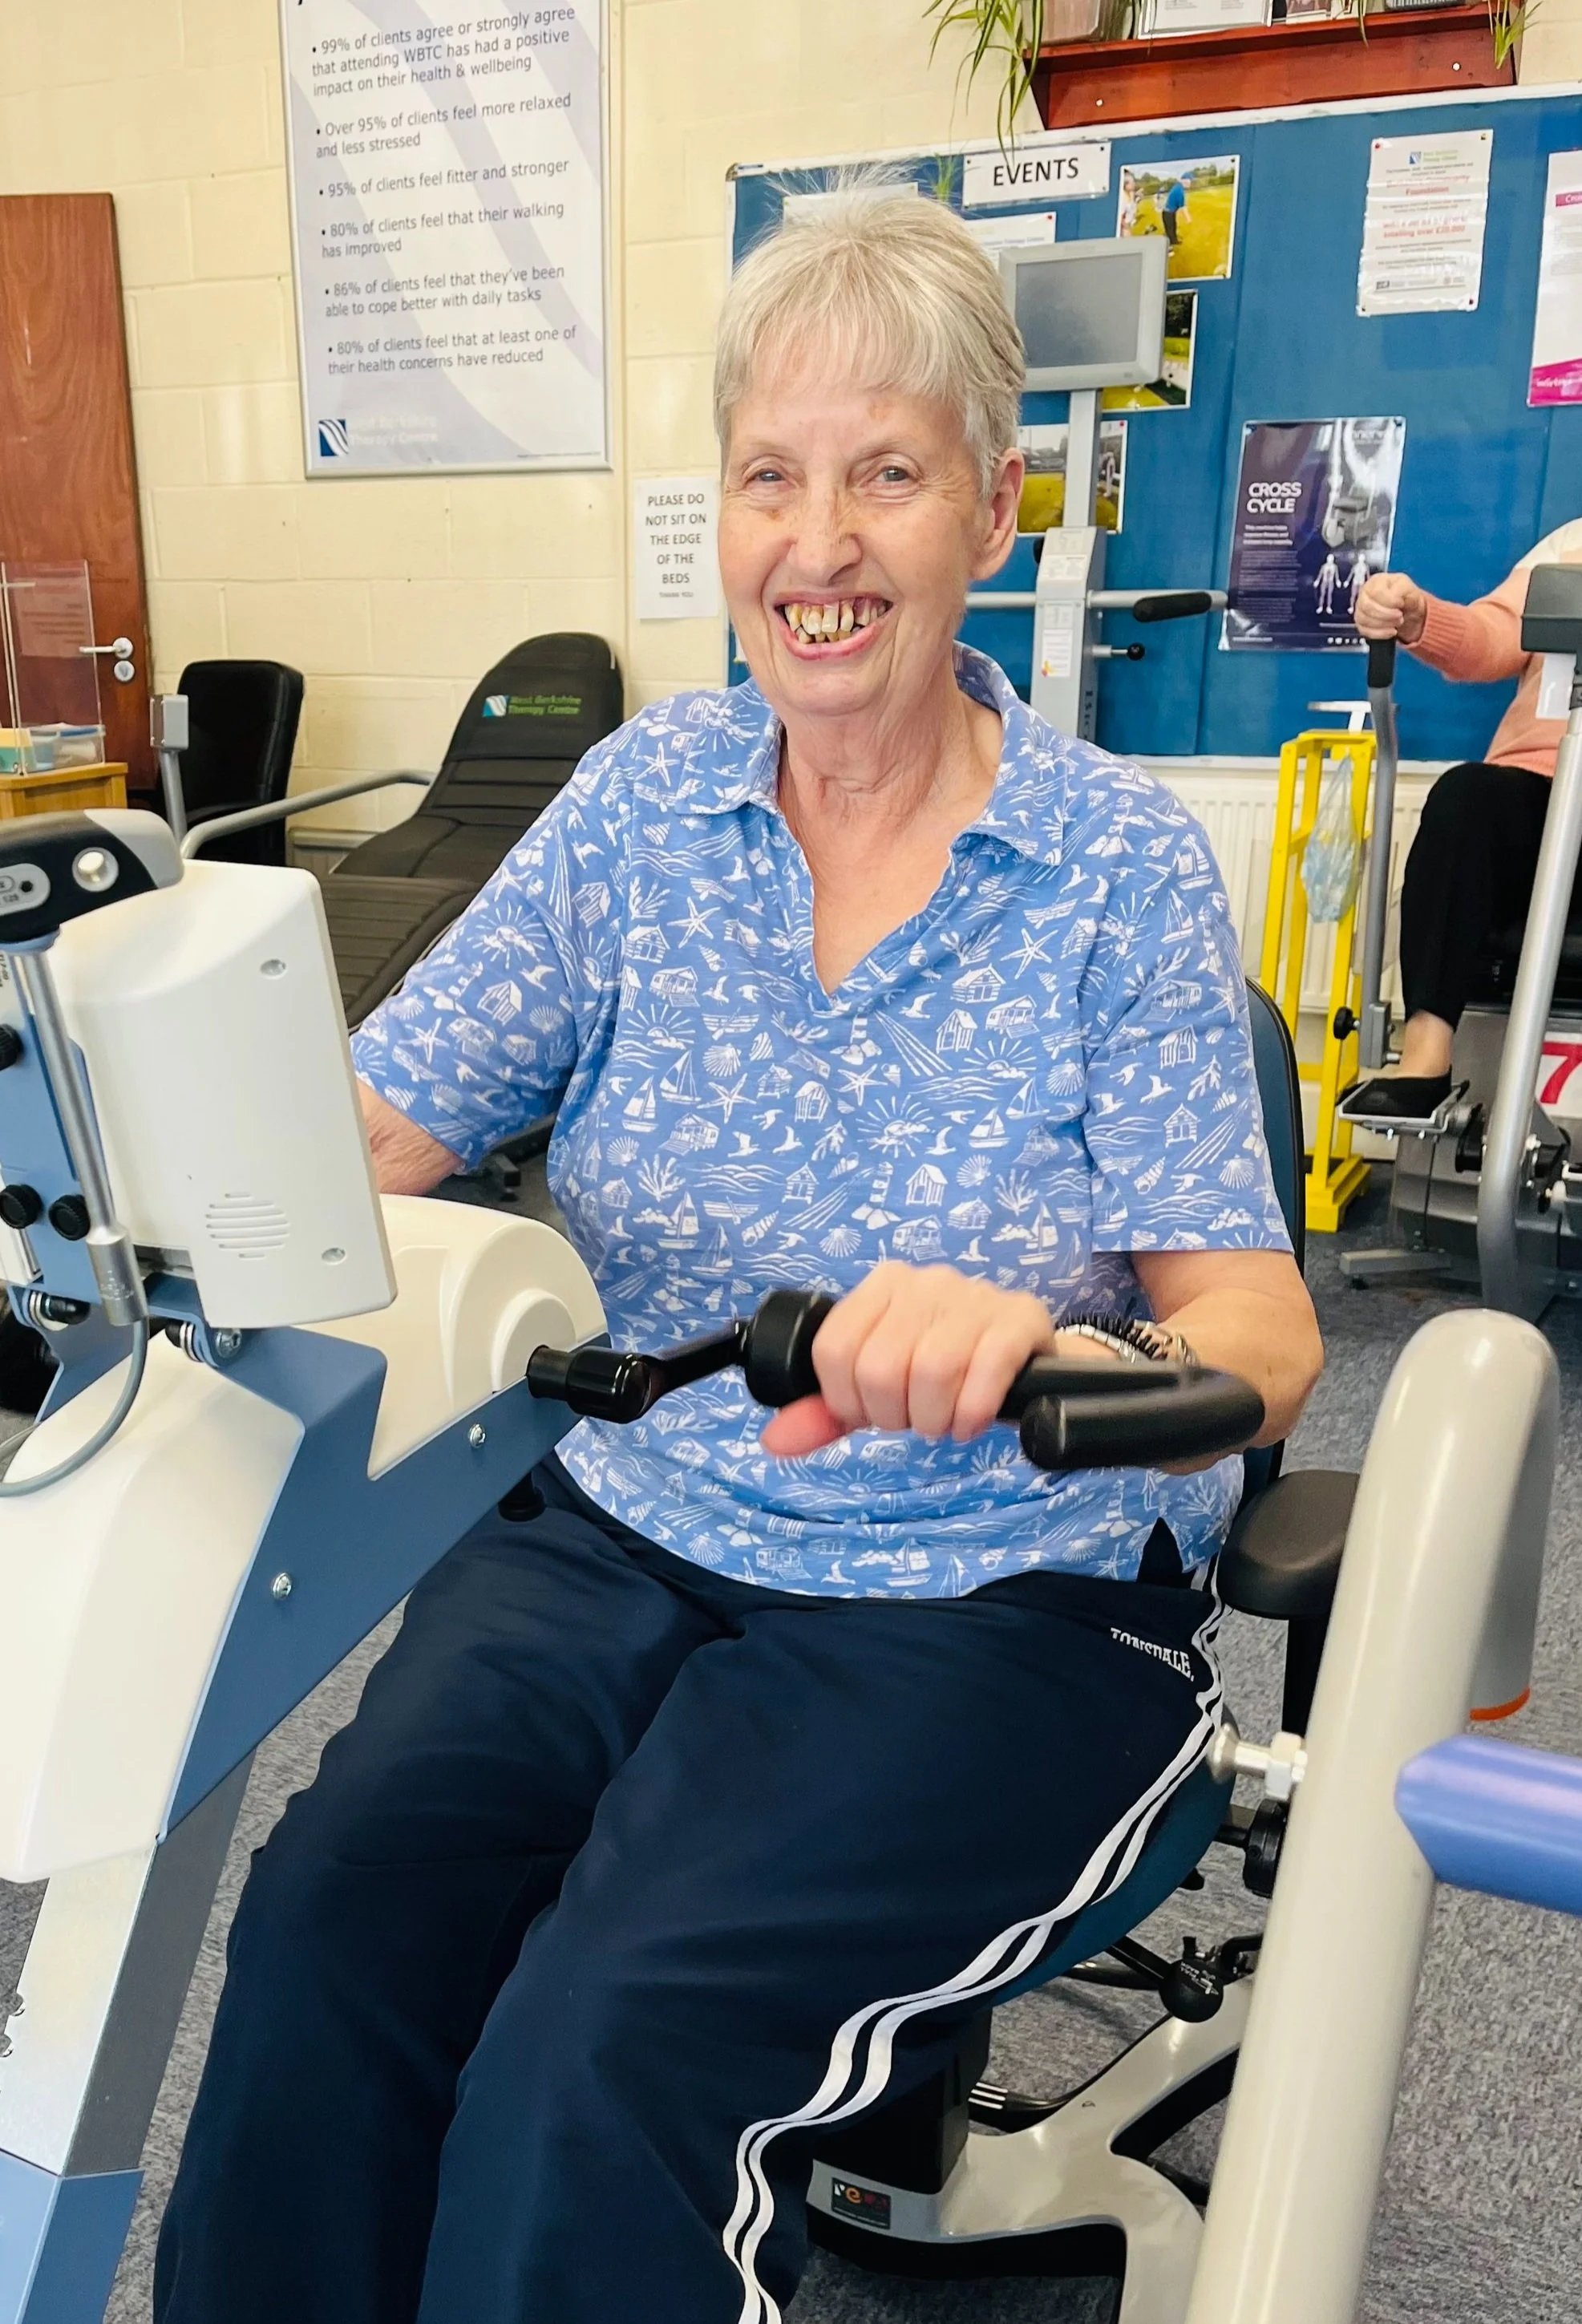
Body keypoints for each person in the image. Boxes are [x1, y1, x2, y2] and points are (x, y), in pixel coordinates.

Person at [153, 192, 1322, 2324]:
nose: (818, 541)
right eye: (769, 477)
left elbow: (1253, 1334)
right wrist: (114, 1171)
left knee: (606, 2042)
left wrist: (1021, 1338)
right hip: (619, 1535)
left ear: (986, 499)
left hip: (992, 1594)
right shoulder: (635, 811)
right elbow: (359, 1139)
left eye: (882, 473)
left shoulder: (1111, 870)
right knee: (334, 1916)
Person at [1349, 529, 1582, 1118]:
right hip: (1544, 790)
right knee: (1465, 797)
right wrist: (1418, 615)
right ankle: (1426, 1054)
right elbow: (1492, 637)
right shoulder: (1572, 546)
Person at [1159, 173, 1188, 249]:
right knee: (1169, 230)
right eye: (1189, 181)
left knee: (1173, 227)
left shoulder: (1178, 187)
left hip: (1170, 212)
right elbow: (1183, 207)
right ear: (1185, 182)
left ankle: (1174, 241)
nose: (1190, 183)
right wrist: (1188, 218)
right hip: (1168, 213)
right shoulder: (1180, 191)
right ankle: (1168, 248)